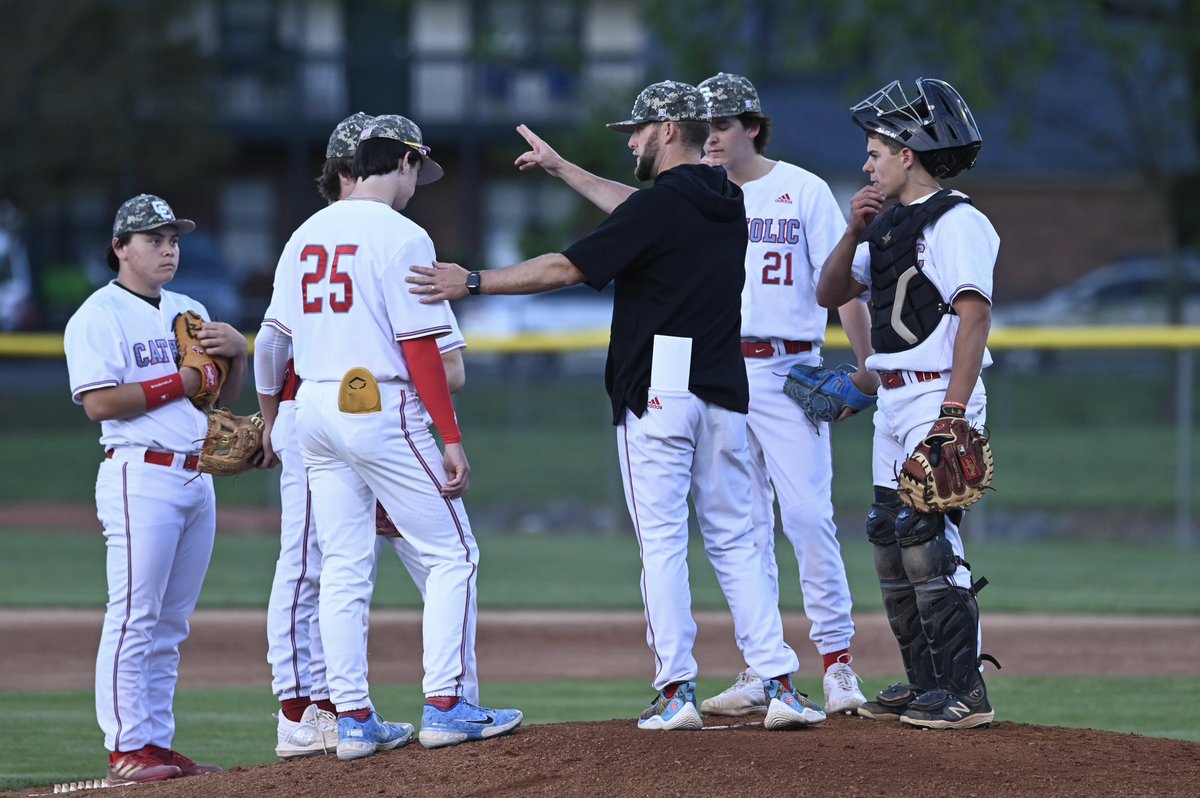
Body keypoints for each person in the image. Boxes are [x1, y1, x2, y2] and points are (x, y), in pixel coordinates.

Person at [409, 80, 825, 732]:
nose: (629, 140)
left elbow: (565, 269)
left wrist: (472, 281)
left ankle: (676, 691)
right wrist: (563, 168)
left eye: (635, 130)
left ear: (666, 130)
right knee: (737, 539)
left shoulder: (664, 206)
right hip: (724, 387)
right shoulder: (727, 198)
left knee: (662, 544)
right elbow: (644, 207)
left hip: (661, 384)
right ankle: (779, 683)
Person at [260, 113, 521, 759]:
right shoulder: (404, 235)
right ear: (402, 162)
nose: (417, 184)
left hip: (314, 408)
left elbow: (273, 345)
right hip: (379, 402)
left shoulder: (304, 234)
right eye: (417, 169)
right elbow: (422, 350)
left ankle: (351, 720)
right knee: (453, 554)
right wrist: (451, 437)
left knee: (344, 569)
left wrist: (272, 420)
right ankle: (447, 706)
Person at [688, 73, 875, 717]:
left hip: (789, 368)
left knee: (806, 516)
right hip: (718, 372)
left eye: (722, 123)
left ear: (753, 128)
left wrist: (866, 365)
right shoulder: (696, 194)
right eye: (703, 123)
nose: (709, 134)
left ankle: (838, 663)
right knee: (742, 527)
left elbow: (841, 281)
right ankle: (762, 665)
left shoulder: (801, 189)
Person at [815, 78, 999, 730]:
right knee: (889, 536)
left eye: (876, 151)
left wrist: (953, 414)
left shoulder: (957, 221)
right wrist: (851, 231)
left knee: (926, 533)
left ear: (910, 154)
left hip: (935, 393)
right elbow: (829, 292)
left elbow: (973, 317)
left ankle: (964, 688)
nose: (868, 164)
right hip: (892, 398)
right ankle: (926, 683)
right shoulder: (887, 224)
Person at [65, 194, 249, 785]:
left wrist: (237, 357)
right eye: (153, 240)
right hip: (137, 473)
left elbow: (218, 398)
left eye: (173, 239)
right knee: (134, 615)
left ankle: (157, 743)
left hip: (196, 475)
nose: (168, 249)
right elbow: (98, 403)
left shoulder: (190, 309)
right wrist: (184, 378)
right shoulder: (99, 314)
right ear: (120, 247)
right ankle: (125, 745)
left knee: (172, 623)